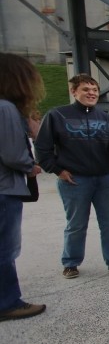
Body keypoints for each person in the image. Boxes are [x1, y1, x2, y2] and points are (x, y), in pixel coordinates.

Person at [34, 73, 109, 279]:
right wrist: (58, 170)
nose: (91, 94)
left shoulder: (105, 118)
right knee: (76, 224)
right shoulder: (58, 115)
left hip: (104, 179)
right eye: (86, 90)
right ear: (74, 91)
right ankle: (70, 262)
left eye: (94, 90)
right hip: (74, 179)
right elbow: (42, 147)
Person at [0, 53, 47, 322]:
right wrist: (30, 167)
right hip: (5, 188)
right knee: (6, 248)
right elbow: (12, 154)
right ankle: (8, 302)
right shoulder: (6, 108)